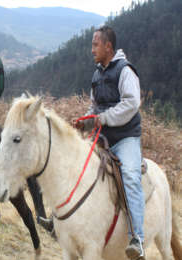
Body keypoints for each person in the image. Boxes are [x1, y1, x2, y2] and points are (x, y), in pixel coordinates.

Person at [73, 26, 145, 260]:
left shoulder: (125, 71)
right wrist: (85, 121)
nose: (91, 48)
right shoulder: (97, 74)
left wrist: (101, 119)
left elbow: (131, 104)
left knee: (132, 178)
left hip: (125, 138)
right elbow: (94, 107)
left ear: (108, 47)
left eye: (95, 44)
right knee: (75, 167)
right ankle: (62, 223)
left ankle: (137, 239)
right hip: (102, 138)